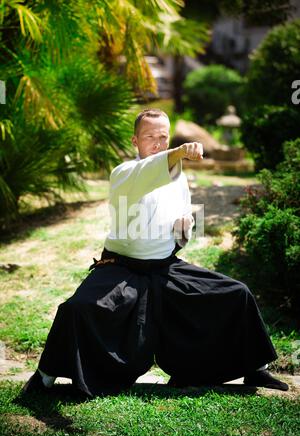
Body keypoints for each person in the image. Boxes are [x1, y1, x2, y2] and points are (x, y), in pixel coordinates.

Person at [22, 108, 288, 397]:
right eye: (150, 137)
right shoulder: (124, 172)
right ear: (135, 141)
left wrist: (185, 228)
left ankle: (254, 367)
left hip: (165, 267)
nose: (159, 143)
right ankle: (44, 377)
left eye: (164, 136)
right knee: (75, 309)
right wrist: (179, 152)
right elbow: (148, 171)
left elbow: (184, 219)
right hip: (120, 267)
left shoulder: (178, 177)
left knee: (235, 293)